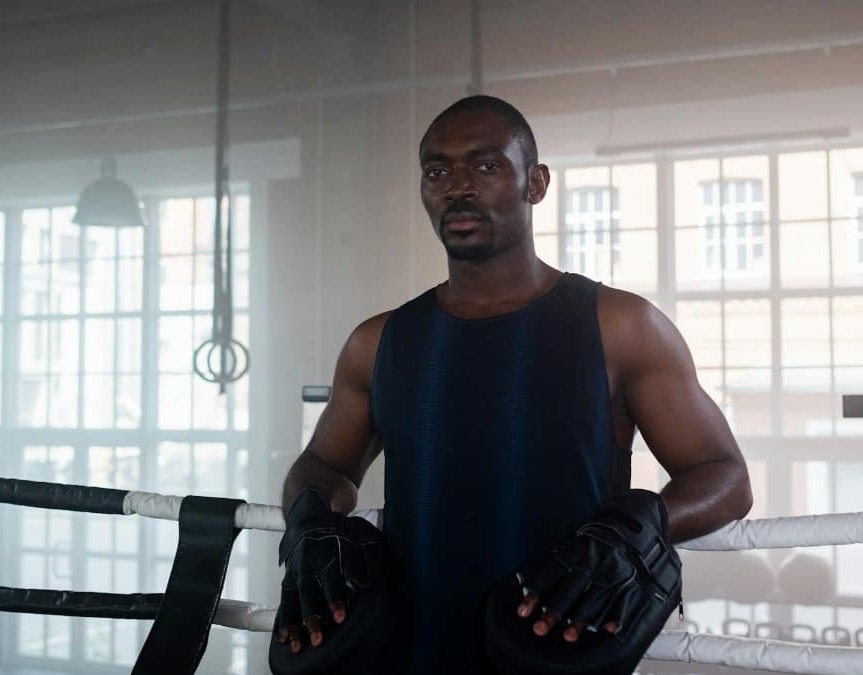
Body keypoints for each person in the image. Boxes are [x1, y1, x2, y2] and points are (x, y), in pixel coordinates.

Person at [273, 95, 753, 674]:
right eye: (437, 170)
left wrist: (636, 529)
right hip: (410, 655)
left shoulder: (620, 326)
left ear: (536, 182)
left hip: (554, 646)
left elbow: (725, 477)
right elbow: (325, 466)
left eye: (486, 165)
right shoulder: (377, 342)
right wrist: (311, 522)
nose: (458, 186)